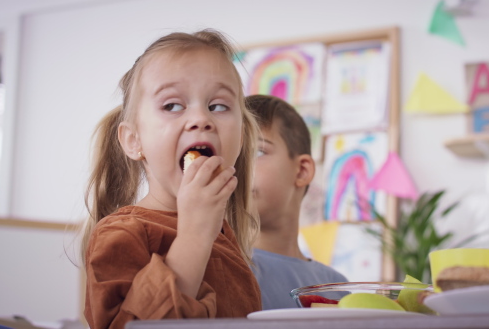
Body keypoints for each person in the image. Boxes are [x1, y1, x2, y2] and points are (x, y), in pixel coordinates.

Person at [82, 30, 262, 329]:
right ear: (133, 140)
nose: (201, 119)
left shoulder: (226, 236)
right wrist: (193, 235)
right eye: (172, 106)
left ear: (241, 137)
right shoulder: (122, 234)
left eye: (218, 106)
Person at [247, 94, 348, 310]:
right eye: (231, 155)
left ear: (302, 170)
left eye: (257, 151)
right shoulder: (214, 270)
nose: (238, 167)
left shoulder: (337, 288)